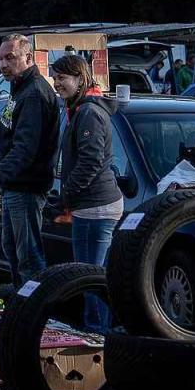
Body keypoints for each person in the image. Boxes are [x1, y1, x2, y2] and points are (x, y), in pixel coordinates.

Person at [0, 34, 61, 287]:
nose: (3, 64)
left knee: (28, 256)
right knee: (11, 249)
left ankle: (34, 311)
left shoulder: (33, 93)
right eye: (0, 58)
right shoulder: (19, 87)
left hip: (26, 186)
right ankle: (22, 306)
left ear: (28, 57)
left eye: (10, 58)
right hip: (15, 186)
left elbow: (26, 149)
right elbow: (20, 130)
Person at [51, 54, 120, 332]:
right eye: (55, 78)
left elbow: (90, 161)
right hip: (90, 205)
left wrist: (67, 193)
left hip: (96, 206)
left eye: (62, 78)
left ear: (80, 79)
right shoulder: (80, 109)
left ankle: (98, 336)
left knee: (91, 276)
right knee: (91, 274)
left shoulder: (89, 113)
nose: (57, 84)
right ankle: (97, 331)